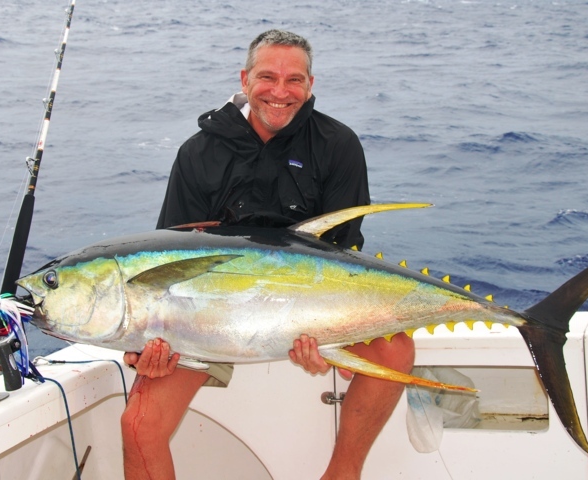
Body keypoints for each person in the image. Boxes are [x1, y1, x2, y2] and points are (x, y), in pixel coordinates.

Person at [121, 29, 415, 480]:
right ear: (244, 79)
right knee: (138, 426)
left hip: (309, 306)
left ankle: (342, 473)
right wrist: (143, 347)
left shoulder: (338, 146)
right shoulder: (198, 154)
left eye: (294, 80)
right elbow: (167, 264)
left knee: (395, 351)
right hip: (208, 316)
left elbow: (342, 254)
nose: (280, 92)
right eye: (267, 77)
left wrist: (328, 335)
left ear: (310, 85)